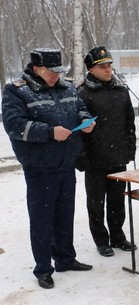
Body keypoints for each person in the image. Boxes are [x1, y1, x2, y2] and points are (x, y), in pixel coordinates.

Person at [1, 48, 94, 289]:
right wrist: (49, 132)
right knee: (42, 219)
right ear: (35, 69)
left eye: (58, 72)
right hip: (39, 165)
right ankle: (43, 268)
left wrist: (85, 121)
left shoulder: (68, 87)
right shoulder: (17, 91)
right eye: (50, 72)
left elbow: (80, 107)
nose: (55, 76)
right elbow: (14, 125)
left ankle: (65, 258)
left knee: (65, 214)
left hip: (66, 162)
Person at [77, 46, 137, 257]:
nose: (108, 70)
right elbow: (79, 132)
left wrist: (130, 149)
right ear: (91, 69)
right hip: (95, 160)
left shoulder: (121, 90)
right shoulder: (83, 93)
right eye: (102, 66)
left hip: (118, 156)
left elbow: (129, 121)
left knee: (117, 200)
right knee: (96, 203)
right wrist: (82, 158)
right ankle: (101, 240)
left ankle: (118, 236)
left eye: (110, 65)